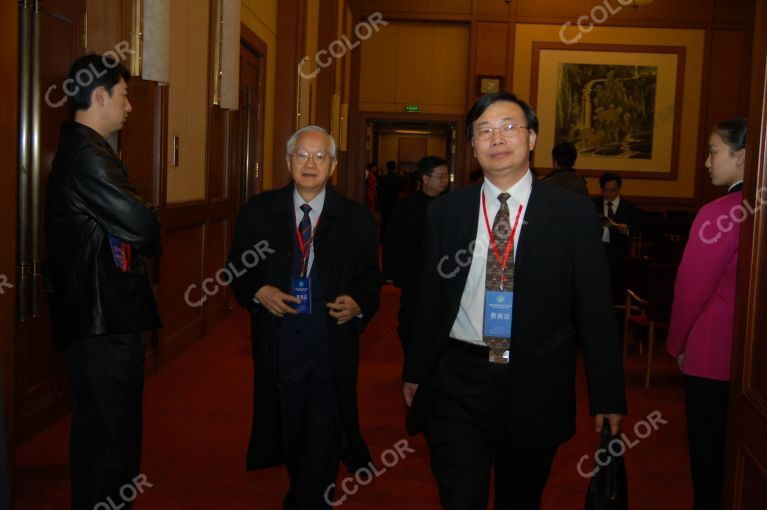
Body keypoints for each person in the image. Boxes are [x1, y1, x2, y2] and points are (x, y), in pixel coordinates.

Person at [402, 91, 626, 509]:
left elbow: (595, 308)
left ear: (532, 138)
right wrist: (415, 369)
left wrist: (608, 393)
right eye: (484, 131)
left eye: (509, 127)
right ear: (472, 146)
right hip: (458, 378)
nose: (497, 138)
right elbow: (428, 298)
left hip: (536, 376)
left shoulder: (571, 214)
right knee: (459, 496)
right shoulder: (448, 212)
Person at [227, 125, 381, 509]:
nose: (310, 163)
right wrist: (258, 291)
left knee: (325, 426)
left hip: (330, 337)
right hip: (279, 339)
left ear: (333, 165)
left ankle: (308, 499)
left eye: (320, 157)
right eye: (302, 155)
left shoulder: (356, 219)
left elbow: (371, 280)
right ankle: (305, 490)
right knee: (291, 426)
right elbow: (236, 270)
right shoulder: (260, 211)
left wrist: (359, 303)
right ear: (288, 161)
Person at [45, 54, 162, 510]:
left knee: (105, 438)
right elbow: (146, 228)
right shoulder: (87, 157)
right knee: (110, 445)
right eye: (124, 95)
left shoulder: (88, 151)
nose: (129, 107)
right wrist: (144, 213)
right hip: (103, 323)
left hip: (104, 318)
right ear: (99, 96)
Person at [666, 118, 747, 510]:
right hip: (751, 358)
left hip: (712, 352)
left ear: (743, 156)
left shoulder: (720, 212)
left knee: (709, 458)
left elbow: (690, 290)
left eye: (714, 151)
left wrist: (676, 342)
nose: (706, 162)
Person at [384, 156, 449, 352]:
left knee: (437, 324)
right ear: (425, 178)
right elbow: (392, 237)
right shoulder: (406, 204)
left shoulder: (451, 204)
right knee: (409, 322)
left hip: (442, 274)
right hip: (413, 273)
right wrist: (389, 270)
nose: (444, 180)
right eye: (440, 176)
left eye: (447, 176)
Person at [592, 172, 642, 302]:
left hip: (619, 255)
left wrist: (627, 230)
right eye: (606, 190)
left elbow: (639, 228)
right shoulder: (592, 204)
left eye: (613, 190)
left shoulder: (630, 207)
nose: (609, 194)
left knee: (616, 289)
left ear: (619, 189)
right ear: (602, 189)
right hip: (596, 253)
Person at [378, 160, 403, 246]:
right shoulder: (399, 178)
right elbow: (402, 190)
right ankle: (393, 239)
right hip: (395, 202)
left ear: (387, 167)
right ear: (395, 167)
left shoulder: (382, 178)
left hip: (385, 202)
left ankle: (382, 239)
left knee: (384, 222)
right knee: (394, 221)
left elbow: (379, 191)